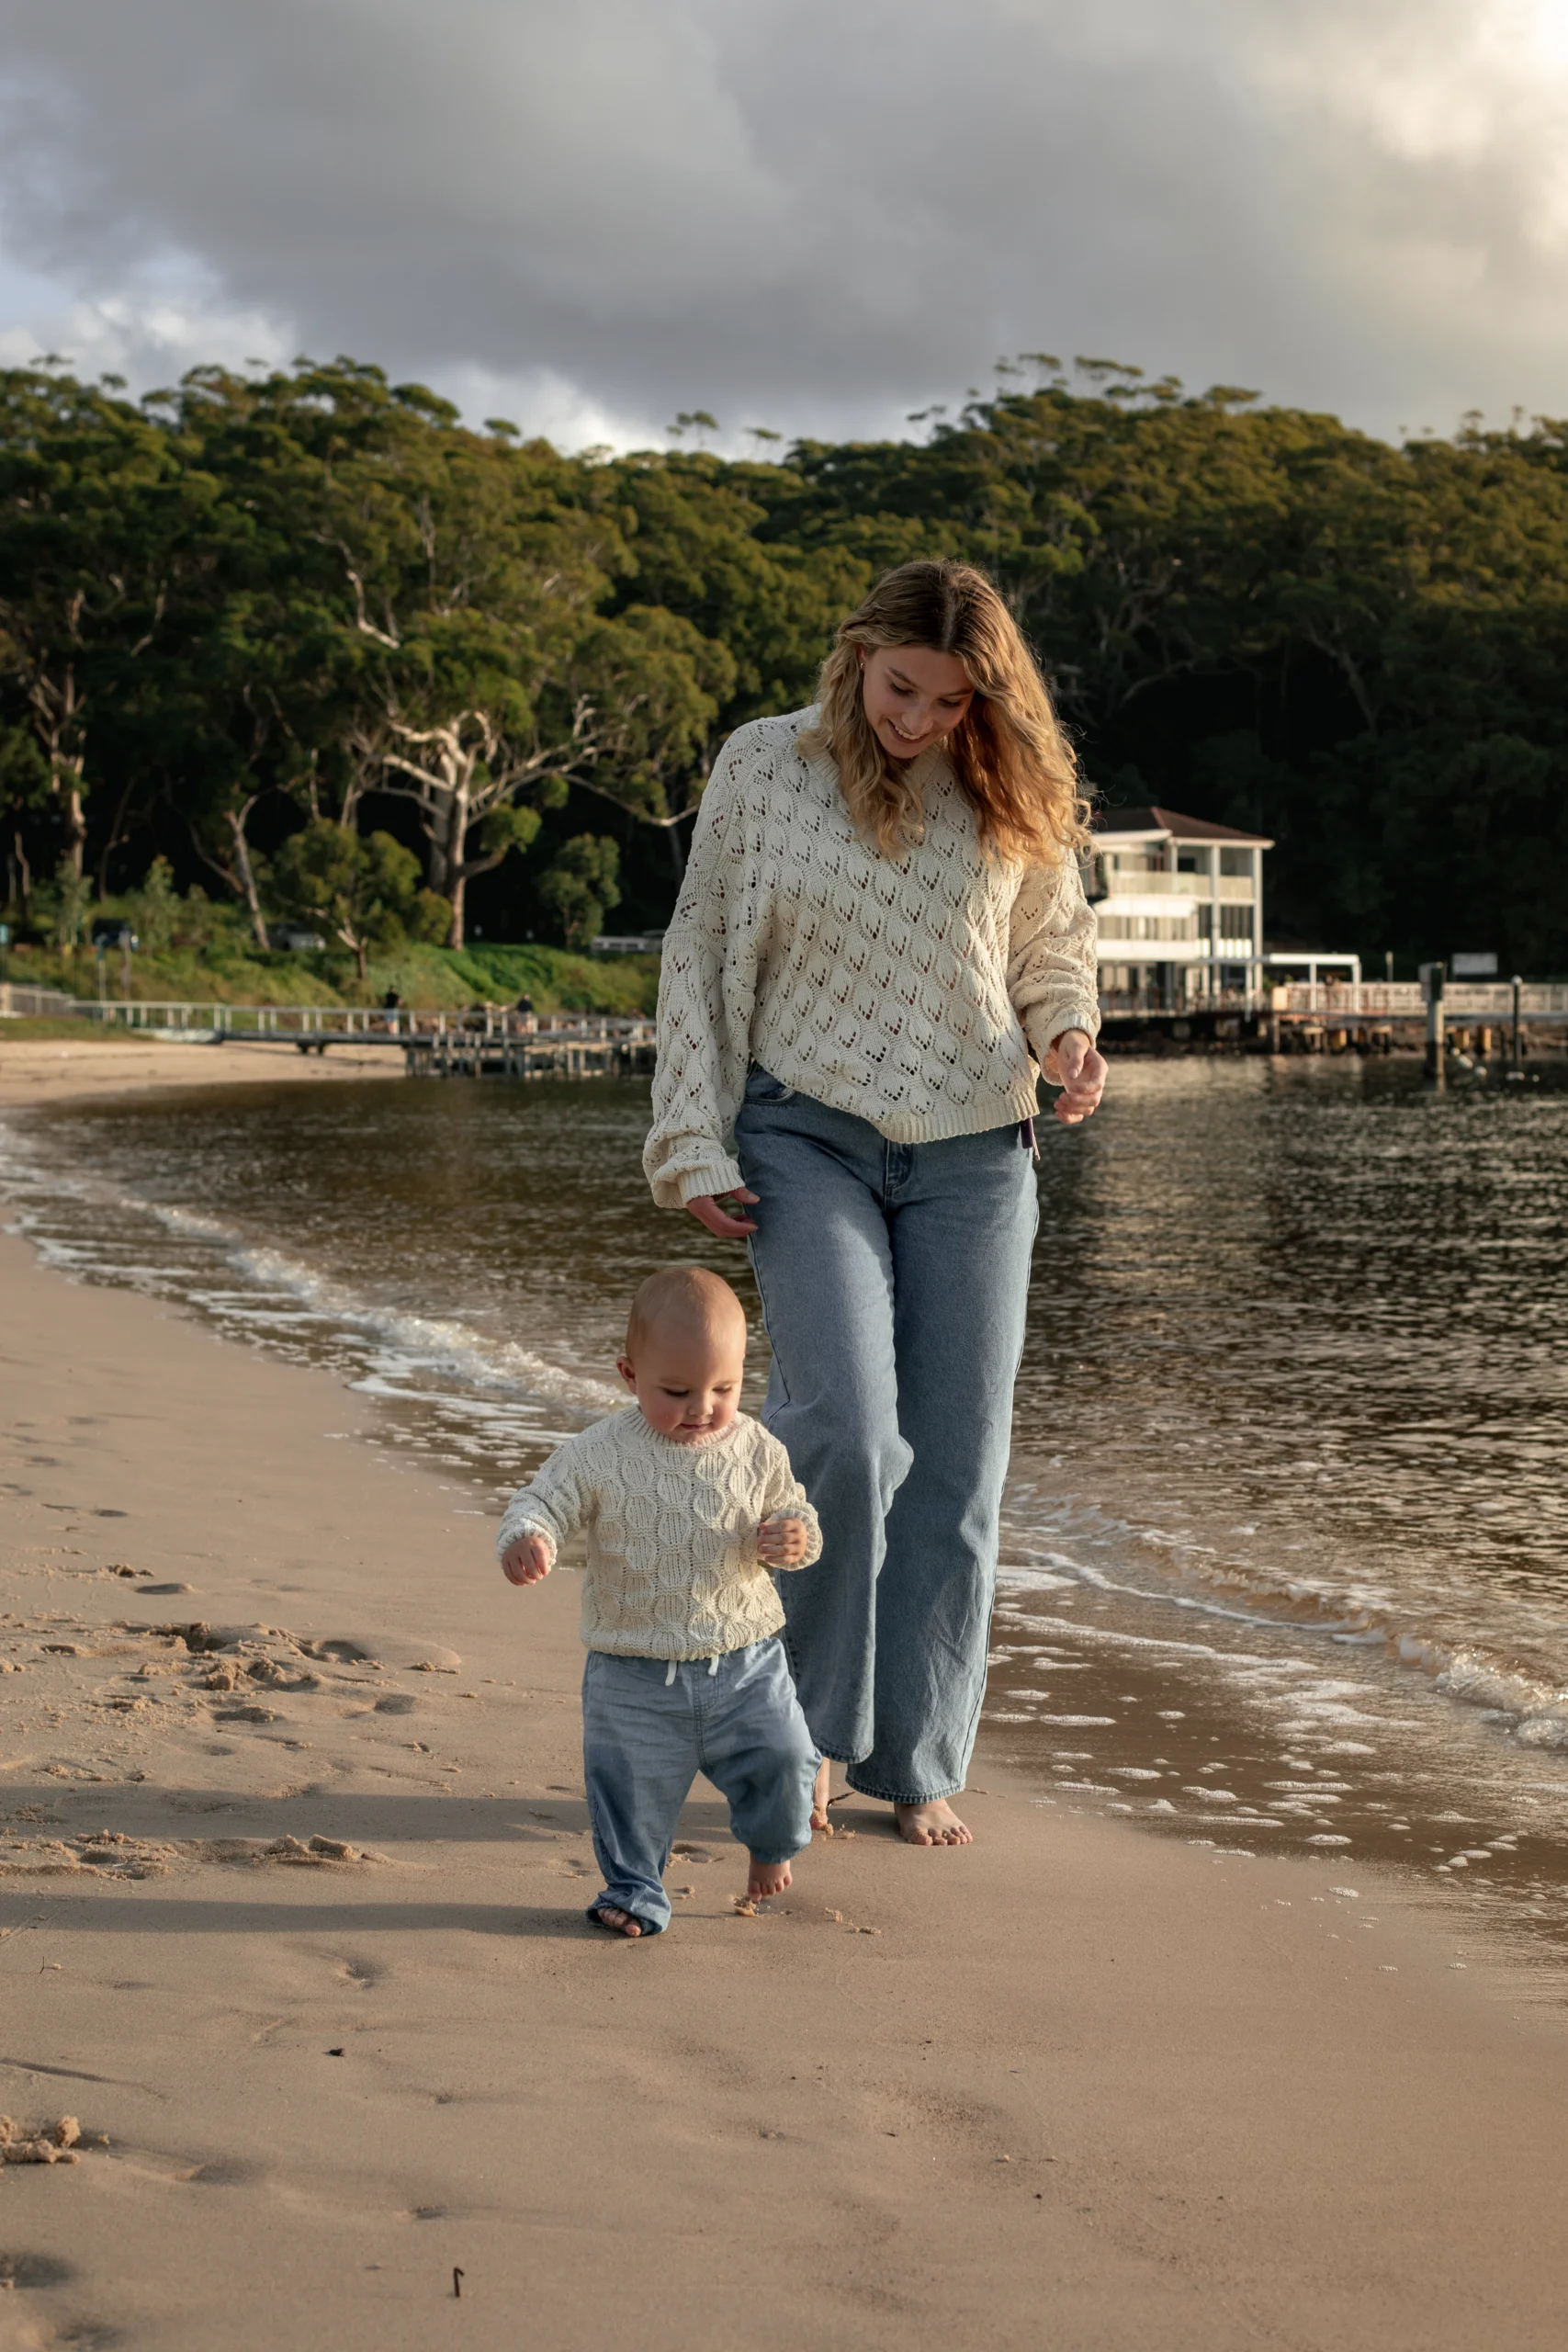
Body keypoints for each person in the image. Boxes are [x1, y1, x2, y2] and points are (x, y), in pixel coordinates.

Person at [644, 559, 1108, 1850]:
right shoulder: (762, 765)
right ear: (856, 655)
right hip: (805, 1135)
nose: (916, 719)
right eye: (902, 687)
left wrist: (1066, 1038)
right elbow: (696, 944)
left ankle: (916, 1758)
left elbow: (1045, 948)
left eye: (950, 701)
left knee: (956, 1469)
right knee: (845, 1433)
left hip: (976, 1147)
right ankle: (800, 1742)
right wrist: (688, 1136)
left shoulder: (1000, 783)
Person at [496, 1265, 822, 1938]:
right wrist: (528, 1537)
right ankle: (635, 1888)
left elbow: (798, 1515)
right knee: (626, 1787)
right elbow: (542, 1501)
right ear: (628, 1374)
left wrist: (794, 1538)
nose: (702, 1406)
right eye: (676, 1391)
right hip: (630, 1667)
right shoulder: (600, 1453)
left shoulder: (756, 1448)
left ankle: (772, 1842)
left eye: (724, 1388)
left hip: (745, 1659)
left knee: (786, 1757)